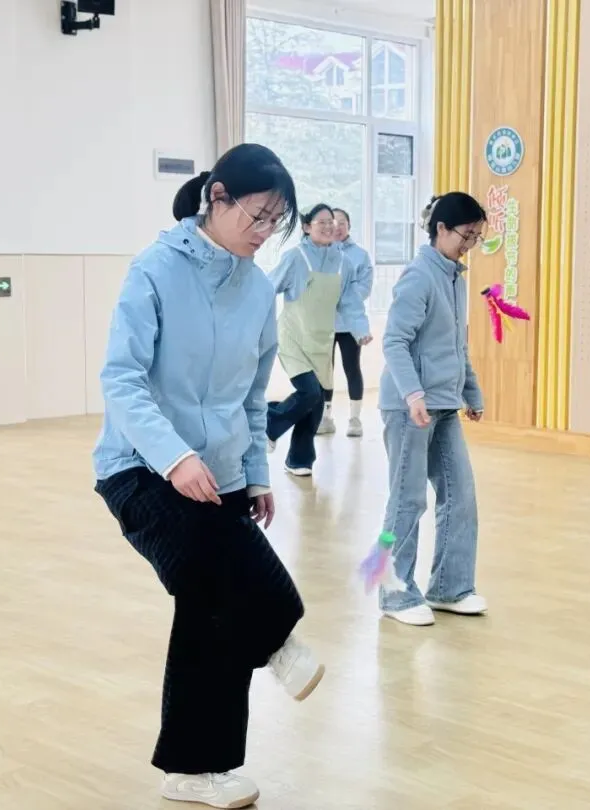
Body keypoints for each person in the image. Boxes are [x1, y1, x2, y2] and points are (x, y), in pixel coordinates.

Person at [92, 143, 324, 809]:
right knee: (237, 588)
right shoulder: (155, 269)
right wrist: (173, 456)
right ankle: (274, 642)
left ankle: (197, 771)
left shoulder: (257, 290)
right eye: (258, 216)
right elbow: (122, 379)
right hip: (140, 468)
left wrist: (255, 475)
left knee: (218, 608)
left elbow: (252, 396)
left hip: (219, 472)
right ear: (217, 198)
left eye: (276, 221)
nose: (265, 232)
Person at [377, 192, 488, 626]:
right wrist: (413, 395)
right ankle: (393, 592)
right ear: (441, 229)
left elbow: (457, 346)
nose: (470, 245)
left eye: (476, 237)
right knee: (406, 501)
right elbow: (394, 342)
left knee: (460, 496)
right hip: (410, 407)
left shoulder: (454, 277)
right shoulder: (419, 276)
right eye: (466, 235)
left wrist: (471, 392)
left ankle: (450, 587)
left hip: (443, 405)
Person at [265, 203, 371, 476]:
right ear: (306, 227)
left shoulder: (344, 263)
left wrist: (360, 329)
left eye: (331, 222)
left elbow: (350, 301)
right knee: (310, 392)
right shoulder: (295, 257)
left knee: (315, 403)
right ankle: (269, 423)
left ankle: (298, 460)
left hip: (322, 341)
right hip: (293, 337)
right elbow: (267, 288)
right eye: (321, 222)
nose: (328, 226)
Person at [317, 207, 374, 438]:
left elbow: (364, 287)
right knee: (324, 371)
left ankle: (355, 418)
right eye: (333, 222)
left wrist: (340, 298)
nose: (337, 227)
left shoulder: (360, 255)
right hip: (324, 322)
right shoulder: (320, 252)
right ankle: (325, 417)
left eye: (342, 222)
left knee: (352, 368)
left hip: (350, 324)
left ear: (349, 226)